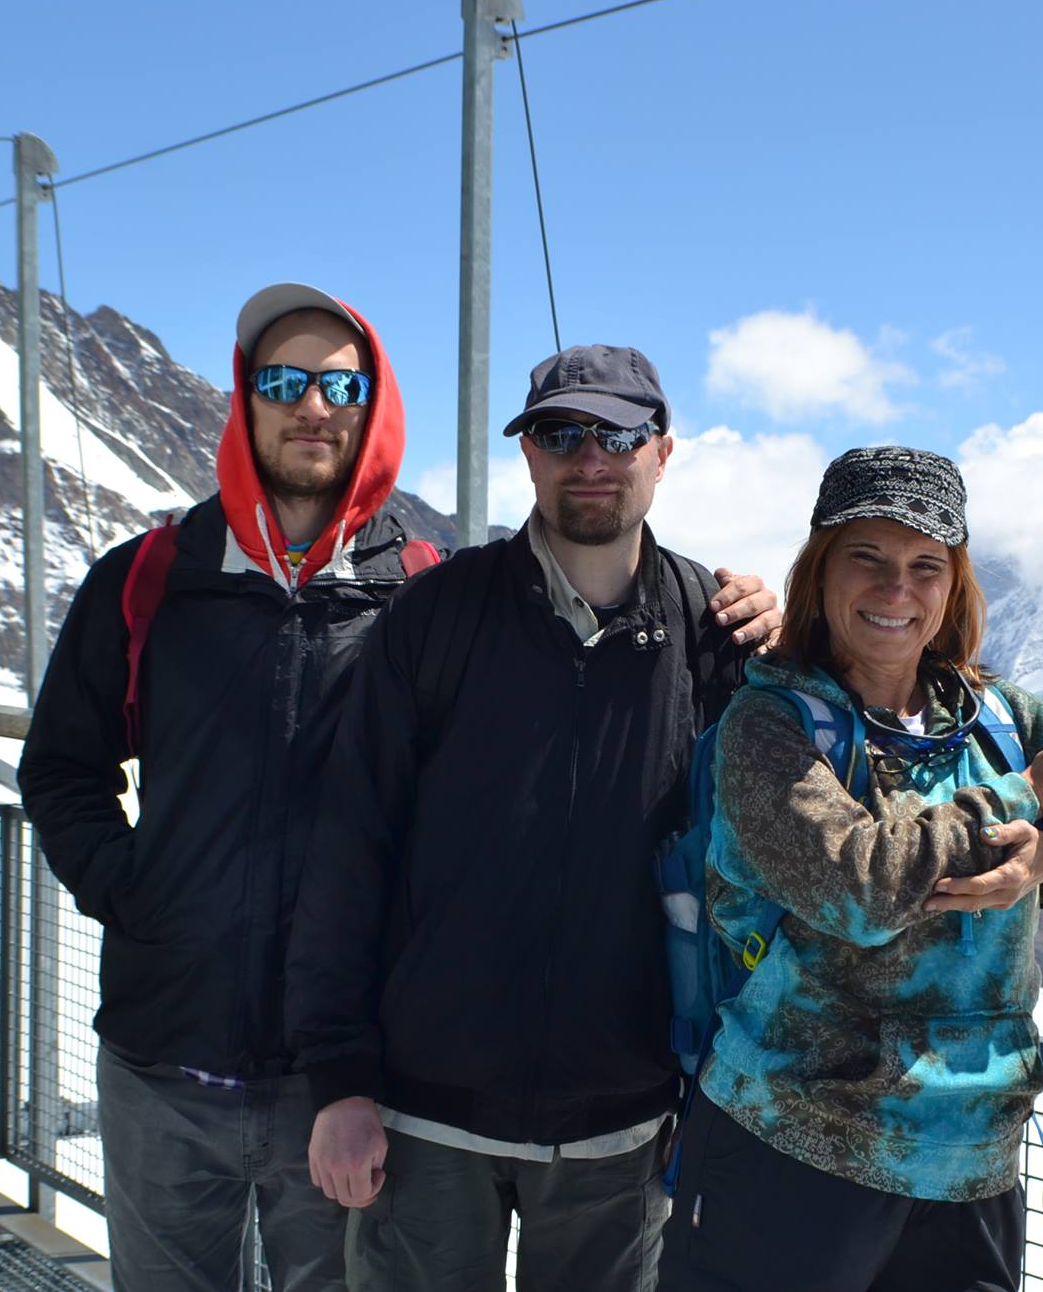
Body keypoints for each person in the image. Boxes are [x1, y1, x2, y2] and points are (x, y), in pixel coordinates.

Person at [656, 446, 1043, 1292]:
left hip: (971, 1161)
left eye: (926, 565)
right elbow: (860, 887)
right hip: (790, 1144)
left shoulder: (995, 716)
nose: (898, 589)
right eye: (870, 557)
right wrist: (1031, 791)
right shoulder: (771, 725)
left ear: (953, 587)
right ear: (820, 571)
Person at [287, 344, 782, 1292]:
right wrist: (340, 1079)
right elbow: (348, 847)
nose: (589, 456)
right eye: (561, 434)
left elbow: (790, 831)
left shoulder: (716, 634)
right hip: (425, 1117)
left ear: (663, 450)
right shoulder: (437, 615)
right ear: (529, 455)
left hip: (625, 1118)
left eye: (618, 433)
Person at [18, 283, 413, 1290]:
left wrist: (731, 616)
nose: (312, 406)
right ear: (245, 399)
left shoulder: (421, 593)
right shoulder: (147, 578)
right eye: (283, 382)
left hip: (342, 1086)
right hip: (162, 1064)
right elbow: (64, 765)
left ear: (372, 406)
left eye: (339, 383)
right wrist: (135, 890)